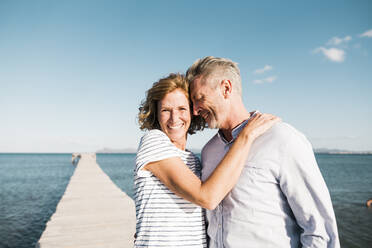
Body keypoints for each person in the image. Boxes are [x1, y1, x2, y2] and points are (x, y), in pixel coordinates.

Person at [186, 56, 340, 248]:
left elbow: (319, 229)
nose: (194, 111)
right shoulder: (209, 151)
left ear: (226, 88)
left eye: (199, 99)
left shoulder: (282, 138)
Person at [134, 73, 279, 248]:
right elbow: (208, 197)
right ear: (156, 115)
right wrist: (246, 135)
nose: (174, 118)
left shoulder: (194, 161)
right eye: (166, 110)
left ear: (193, 112)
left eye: (182, 109)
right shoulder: (153, 141)